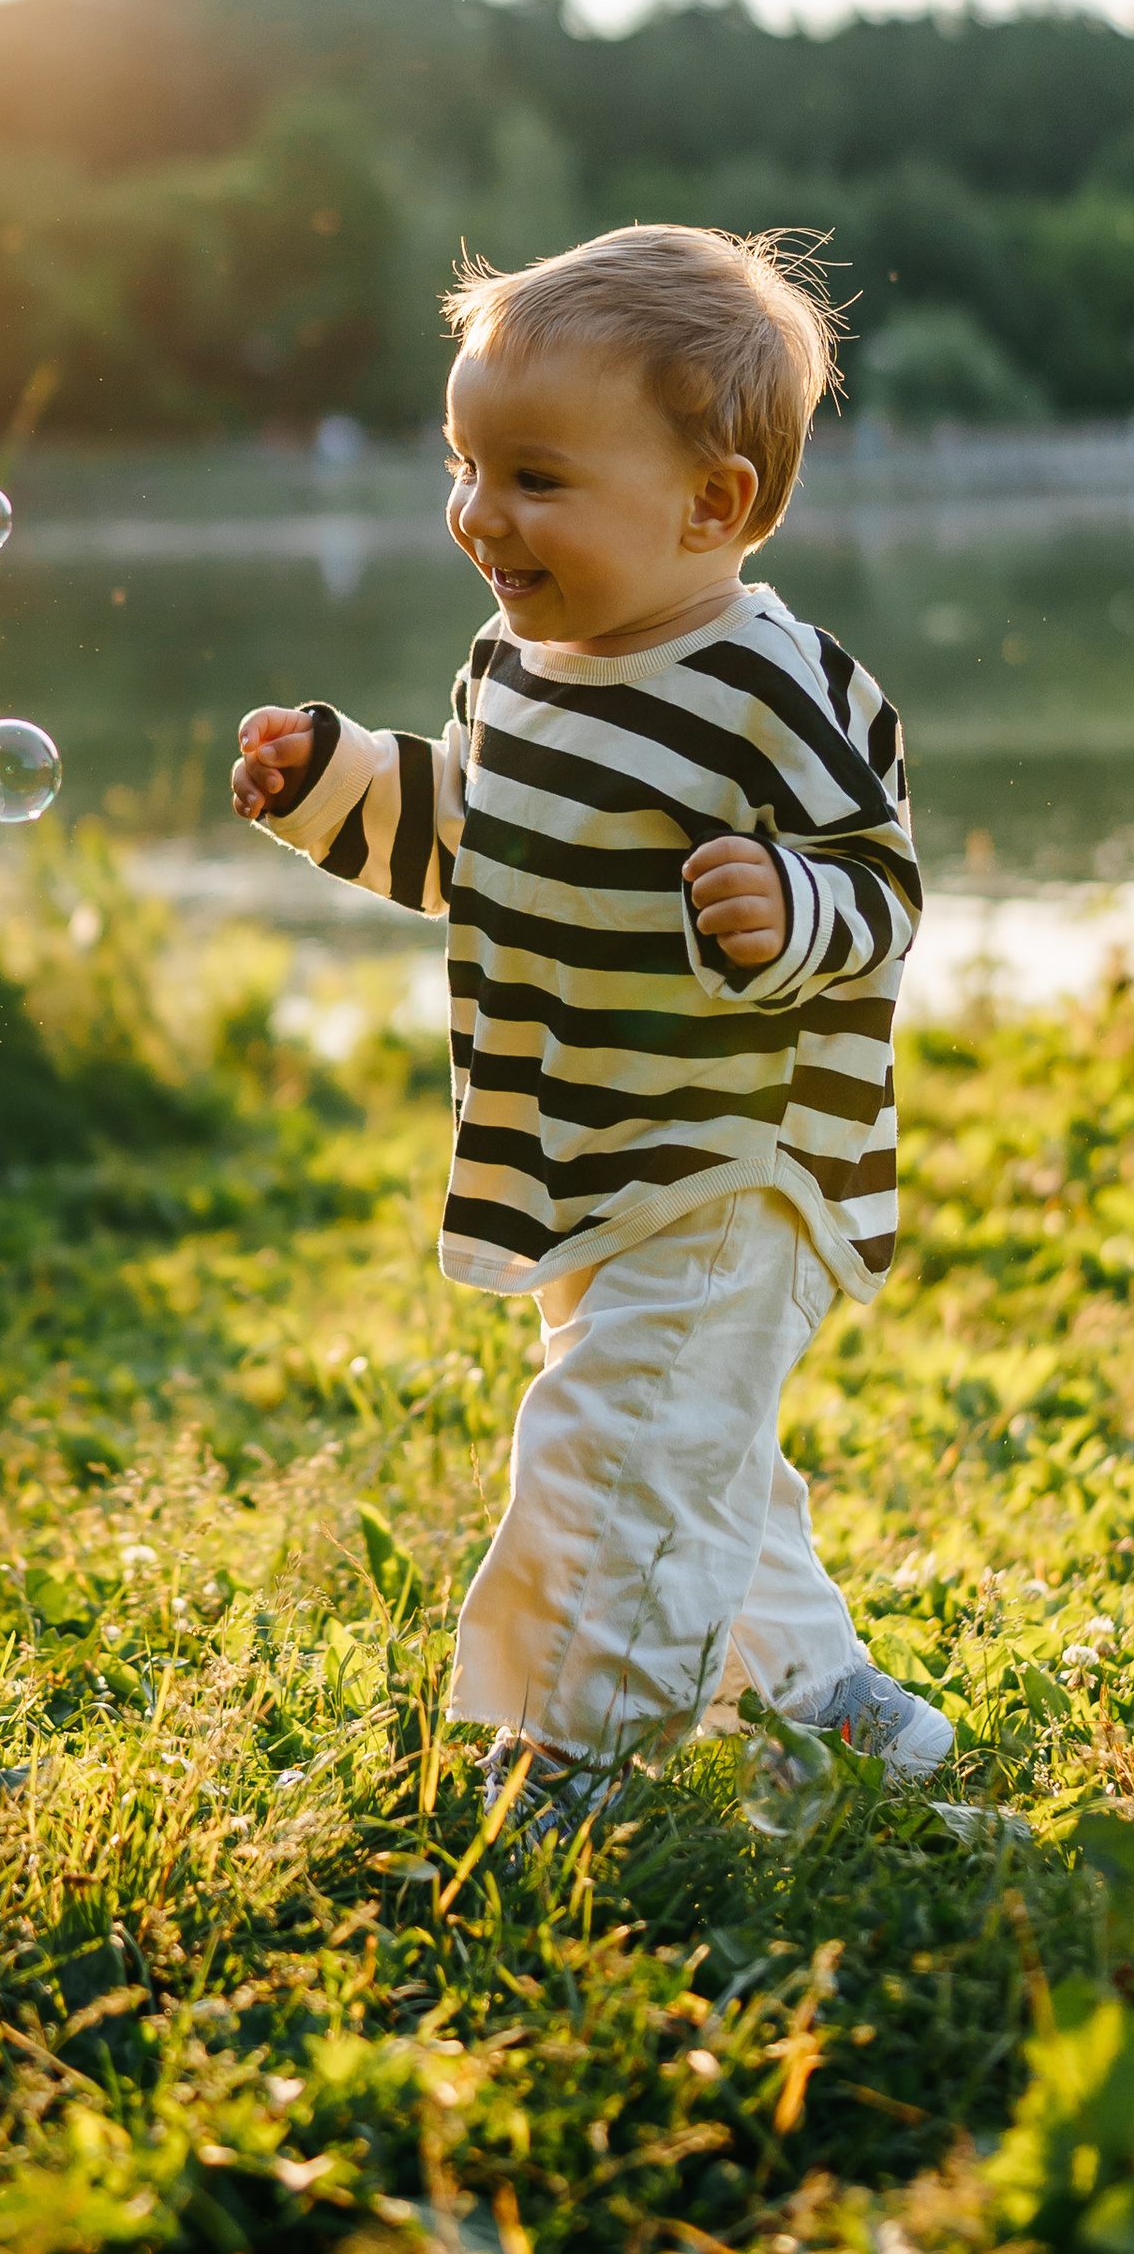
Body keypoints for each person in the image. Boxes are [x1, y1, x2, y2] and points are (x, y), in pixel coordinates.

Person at [232, 224, 951, 1839]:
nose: (481, 514)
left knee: (617, 1447)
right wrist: (336, 781)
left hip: (729, 1163)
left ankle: (575, 1765)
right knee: (686, 1441)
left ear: (714, 506)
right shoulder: (518, 664)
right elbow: (481, 854)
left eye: (535, 477)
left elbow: (883, 888)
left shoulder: (775, 685)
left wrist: (788, 901)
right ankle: (826, 1707)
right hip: (587, 1153)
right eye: (464, 463)